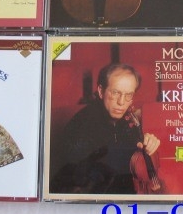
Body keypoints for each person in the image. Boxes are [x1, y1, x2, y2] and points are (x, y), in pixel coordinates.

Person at [50, 63, 160, 194]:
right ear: (101, 91)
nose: (121, 102)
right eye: (115, 93)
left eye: (129, 95)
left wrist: (147, 142)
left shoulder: (125, 120)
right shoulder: (82, 125)